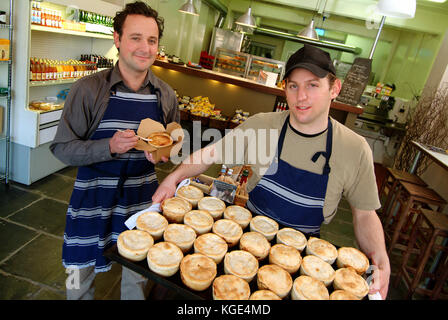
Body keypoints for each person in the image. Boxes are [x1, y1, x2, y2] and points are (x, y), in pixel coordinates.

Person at [153, 45, 391, 299]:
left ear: (334, 89)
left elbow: (365, 214)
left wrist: (381, 257)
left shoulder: (354, 148)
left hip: (306, 264)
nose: (301, 96)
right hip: (246, 248)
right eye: (293, 86)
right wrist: (172, 177)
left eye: (312, 85)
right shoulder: (262, 125)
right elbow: (210, 154)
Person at [50, 1, 179, 300]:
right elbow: (62, 147)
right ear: (117, 39)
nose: (145, 48)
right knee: (76, 276)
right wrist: (108, 146)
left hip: (139, 202)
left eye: (152, 40)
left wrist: (162, 154)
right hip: (91, 200)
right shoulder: (88, 89)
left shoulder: (166, 95)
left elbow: (171, 147)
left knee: (136, 279)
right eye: (135, 38)